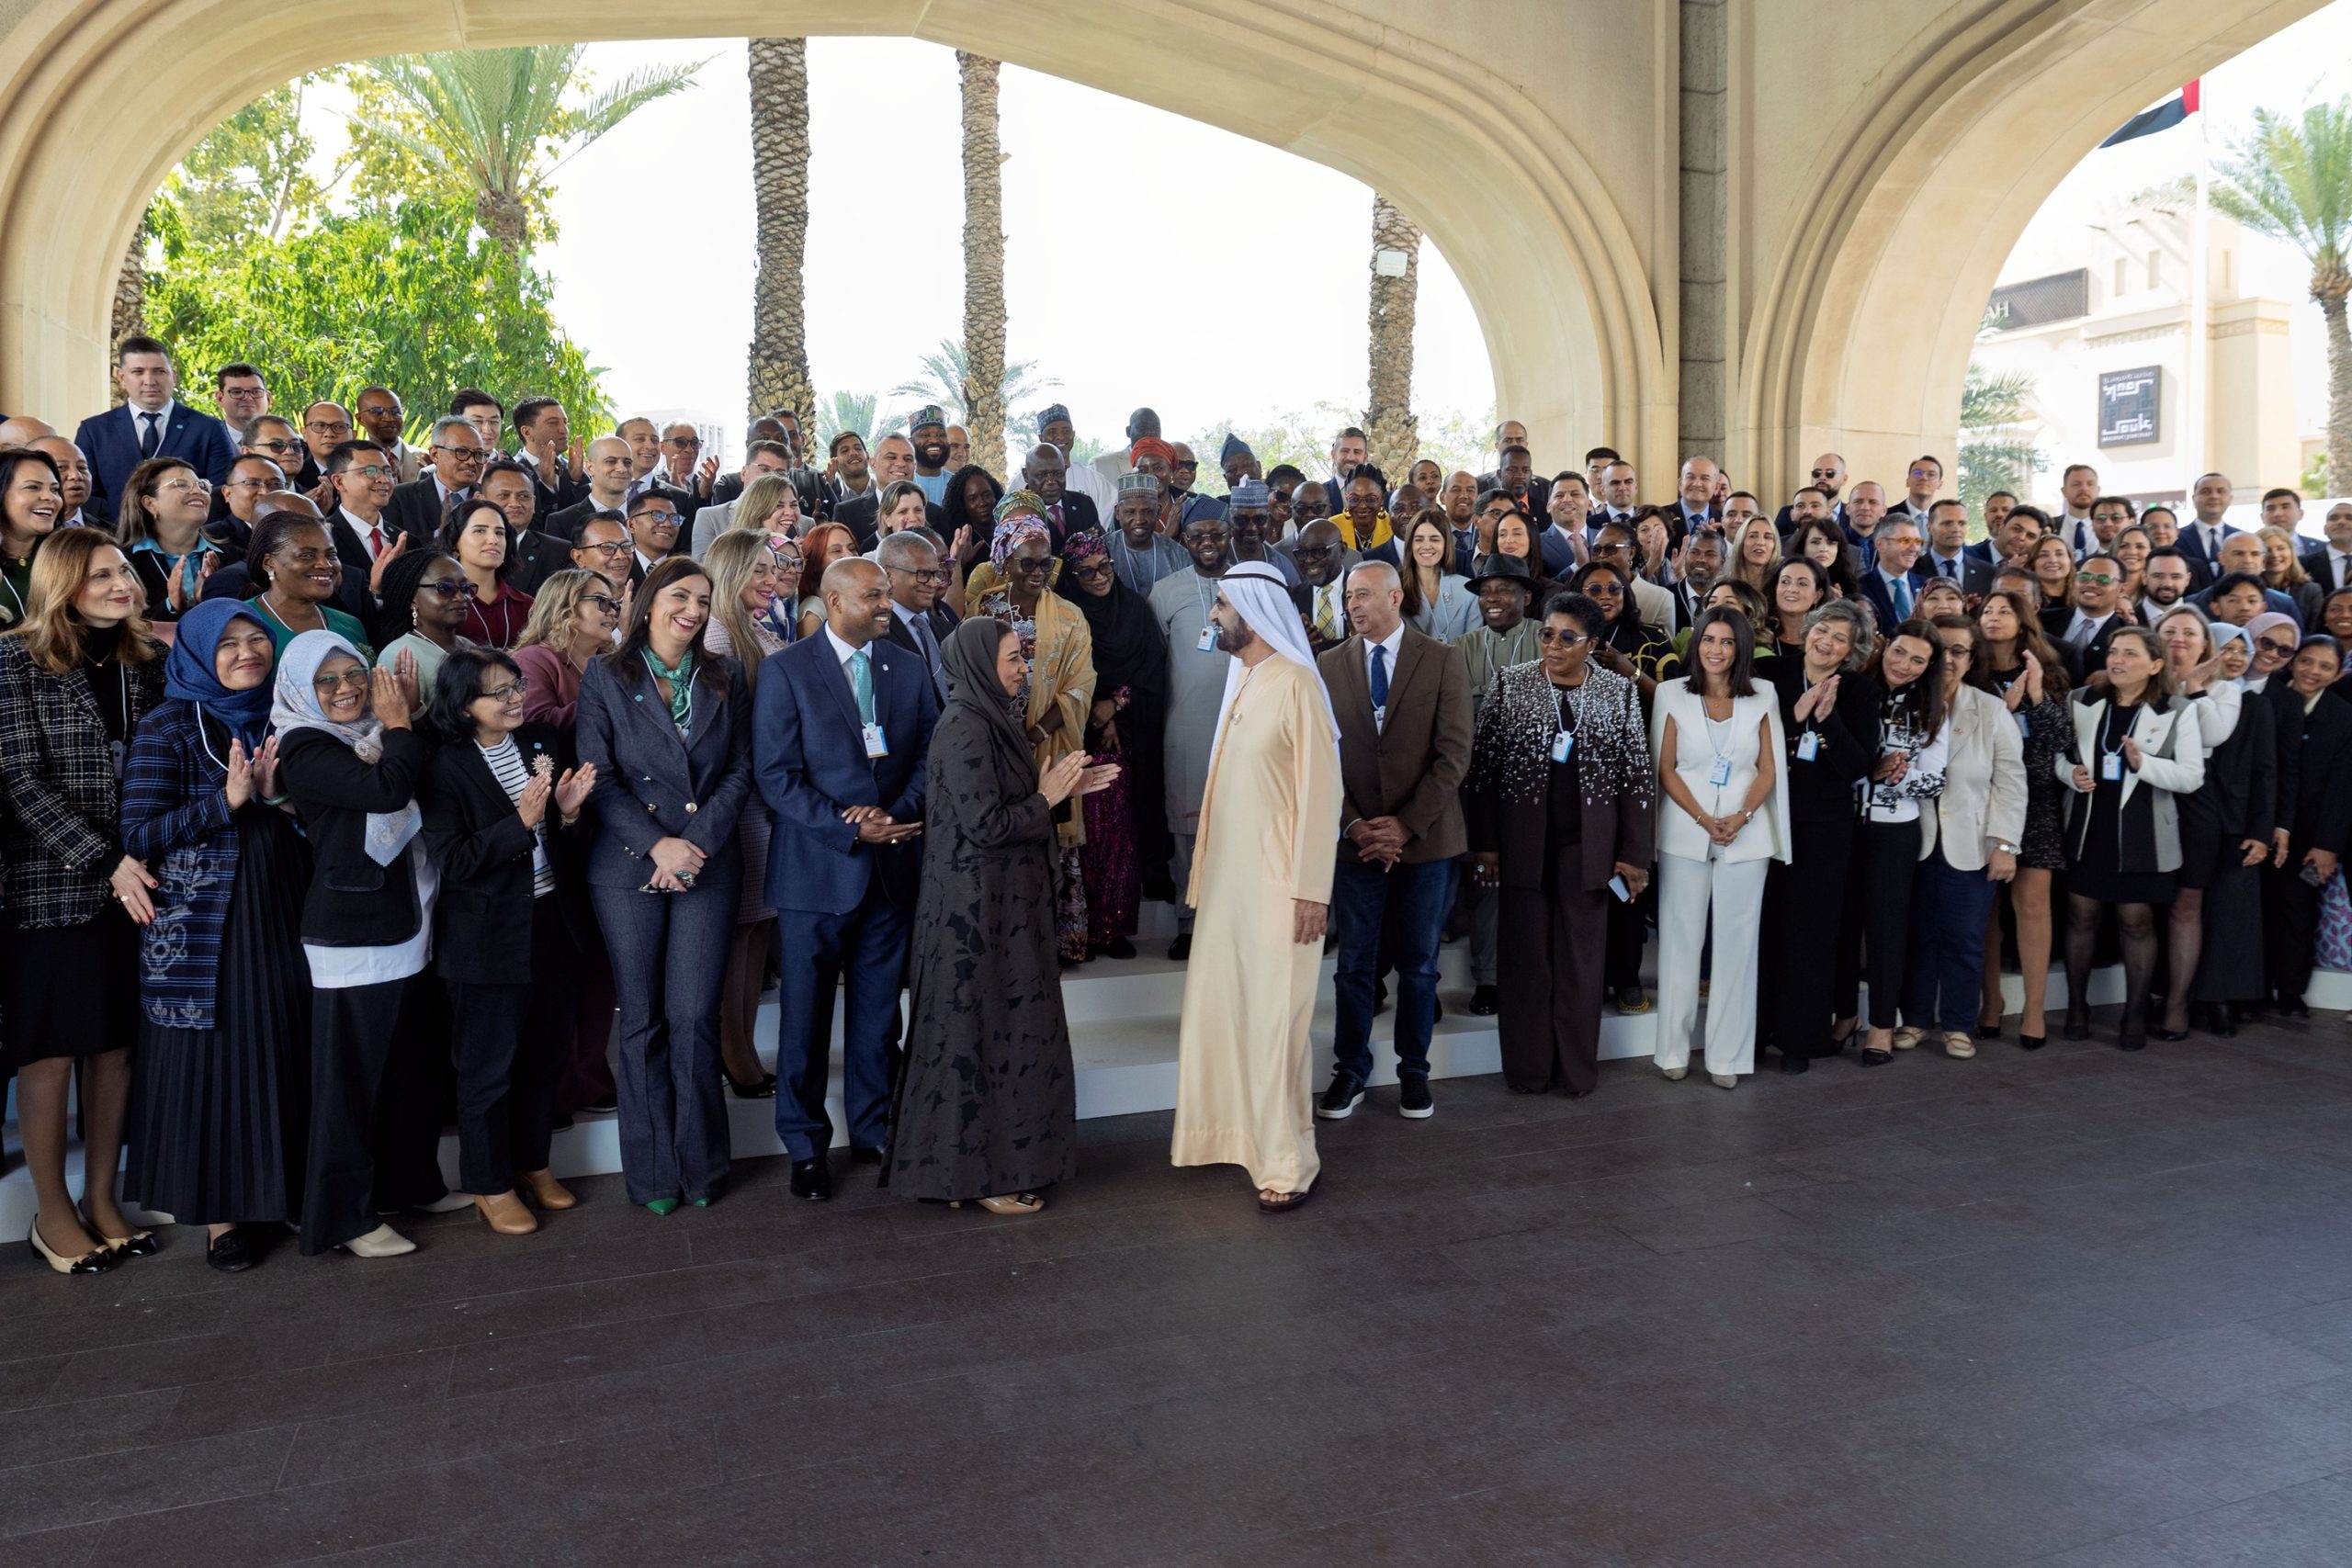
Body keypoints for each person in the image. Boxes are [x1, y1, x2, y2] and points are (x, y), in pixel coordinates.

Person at [889, 619, 1118, 1213]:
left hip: (999, 910)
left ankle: (974, 1173)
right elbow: (987, 825)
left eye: (1023, 657)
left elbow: (1004, 805)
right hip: (976, 918)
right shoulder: (965, 726)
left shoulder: (990, 718)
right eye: (1014, 658)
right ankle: (982, 1178)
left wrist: (1064, 791)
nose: (1024, 669)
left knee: (998, 1036)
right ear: (978, 663)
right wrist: (1048, 797)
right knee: (980, 1041)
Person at [119, 600, 310, 1271]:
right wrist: (225, 803)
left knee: (284, 1043)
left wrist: (279, 798)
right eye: (227, 644)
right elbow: (139, 833)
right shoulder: (168, 724)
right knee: (220, 1058)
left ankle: (285, 1193)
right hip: (207, 921)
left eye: (256, 639)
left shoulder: (288, 711)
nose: (246, 652)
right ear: (199, 652)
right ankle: (223, 1217)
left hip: (289, 902)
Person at [0, 530, 164, 1273]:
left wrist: (136, 858)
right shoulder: (14, 660)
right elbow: (20, 779)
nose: (121, 582)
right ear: (63, 582)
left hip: (137, 875)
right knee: (50, 1050)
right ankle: (52, 1213)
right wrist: (106, 861)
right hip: (52, 877)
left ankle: (102, 1197)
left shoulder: (143, 659)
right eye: (101, 574)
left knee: (115, 1044)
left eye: (124, 569)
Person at [755, 558, 938, 1201]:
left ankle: (874, 1128)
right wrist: (849, 828)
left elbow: (930, 753)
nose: (887, 604)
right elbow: (775, 775)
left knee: (879, 1016)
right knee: (803, 1022)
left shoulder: (907, 667)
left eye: (887, 593)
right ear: (834, 602)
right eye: (873, 595)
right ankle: (806, 1147)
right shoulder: (785, 671)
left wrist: (895, 816)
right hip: (815, 874)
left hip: (891, 867)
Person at [1169, 563, 1343, 1212]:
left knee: (1276, 1023)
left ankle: (1289, 1161)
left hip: (1280, 887)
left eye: (1221, 605)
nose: (1213, 616)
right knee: (1227, 1014)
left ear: (1253, 609)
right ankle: (1234, 1138)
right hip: (1228, 887)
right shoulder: (1243, 677)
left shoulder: (1296, 683)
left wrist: (1311, 891)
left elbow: (1322, 796)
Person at [274, 630, 448, 1258]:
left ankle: (408, 1183)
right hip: (354, 934)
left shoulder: (378, 732)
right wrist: (400, 726)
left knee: (408, 1068)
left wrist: (404, 723)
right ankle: (343, 1219)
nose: (346, 689)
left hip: (408, 916)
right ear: (301, 689)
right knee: (350, 1086)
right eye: (327, 680)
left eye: (355, 675)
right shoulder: (304, 745)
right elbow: (386, 791)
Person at [420, 646, 595, 1233]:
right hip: (486, 937)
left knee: (544, 1057)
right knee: (487, 1070)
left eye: (516, 685)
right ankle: (489, 1184)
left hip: (552, 921)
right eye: (498, 692)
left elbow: (562, 837)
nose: (515, 698)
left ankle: (533, 1165)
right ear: (462, 706)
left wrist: (566, 815)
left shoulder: (538, 741)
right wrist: (519, 823)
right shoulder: (444, 766)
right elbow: (454, 859)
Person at [1467, 590, 1654, 1094]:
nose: (1553, 646)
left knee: (1580, 962)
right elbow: (1483, 772)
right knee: (1526, 959)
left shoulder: (1618, 692)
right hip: (1522, 845)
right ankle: (1528, 1070)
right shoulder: (1511, 684)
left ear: (1592, 644)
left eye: (1567, 638)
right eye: (1547, 634)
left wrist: (1633, 855)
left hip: (1588, 849)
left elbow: (1636, 778)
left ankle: (1574, 1072)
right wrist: (1486, 844)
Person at [1312, 560, 1473, 1121]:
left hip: (1424, 843)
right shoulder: (1328, 664)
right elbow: (1320, 755)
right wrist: (1354, 824)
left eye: (1362, 595)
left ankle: (1414, 1073)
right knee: (1354, 966)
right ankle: (1350, 1070)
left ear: (1395, 597)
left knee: (1420, 966)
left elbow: (1454, 754)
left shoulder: (1443, 659)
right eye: (1347, 598)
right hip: (1354, 843)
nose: (1353, 606)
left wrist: (1404, 825)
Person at [1650, 607, 1790, 1088]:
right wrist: (1703, 818)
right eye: (1709, 639)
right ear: (1697, 645)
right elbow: (1665, 768)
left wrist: (1743, 815)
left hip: (1746, 835)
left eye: (1727, 641)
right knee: (1680, 942)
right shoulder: (1671, 693)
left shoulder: (1764, 694)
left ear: (1741, 648)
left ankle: (1726, 1057)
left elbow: (1769, 767)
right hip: (1685, 832)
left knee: (1737, 948)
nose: (1716, 649)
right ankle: (1671, 1050)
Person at [2058, 626, 2205, 1052]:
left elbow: (2192, 777)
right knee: (2080, 917)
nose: (2116, 660)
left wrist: (2145, 765)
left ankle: (2135, 1012)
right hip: (2088, 824)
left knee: (2136, 922)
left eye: (2129, 654)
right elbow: (2057, 757)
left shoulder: (2176, 709)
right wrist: (2069, 773)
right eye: (2113, 652)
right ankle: (2076, 1007)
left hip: (2144, 831)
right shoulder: (2081, 699)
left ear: (2156, 665)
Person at [510, 570, 624, 1118]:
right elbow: (536, 727)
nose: (611, 608)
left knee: (600, 961)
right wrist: (612, 692)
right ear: (564, 605)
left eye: (613, 601)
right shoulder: (537, 660)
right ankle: (552, 1087)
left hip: (607, 822)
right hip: (556, 826)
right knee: (561, 964)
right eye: (599, 600)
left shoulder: (606, 662)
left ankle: (589, 1075)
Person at [973, 501, 1099, 964]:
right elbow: (971, 676)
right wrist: (1006, 737)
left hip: (1049, 747)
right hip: (996, 749)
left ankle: (1054, 946)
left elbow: (1081, 684)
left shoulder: (1068, 616)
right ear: (1005, 560)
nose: (1039, 572)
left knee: (1051, 840)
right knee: (1004, 839)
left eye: (1046, 563)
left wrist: (1036, 734)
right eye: (1027, 563)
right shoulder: (983, 610)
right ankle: (1007, 948)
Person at [1898, 615, 2026, 1057]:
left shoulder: (1990, 709)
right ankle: (1915, 1020)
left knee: (1965, 940)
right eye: (1942, 650)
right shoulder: (1905, 701)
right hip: (1910, 842)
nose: (1949, 659)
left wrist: (2005, 845)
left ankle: (1957, 1024)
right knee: (1916, 937)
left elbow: (2011, 782)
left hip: (1971, 844)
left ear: (1972, 659)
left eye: (1959, 651)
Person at [1759, 601, 1878, 1073]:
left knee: (1811, 933)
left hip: (1825, 828)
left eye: (1839, 639)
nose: (1826, 642)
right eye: (1822, 630)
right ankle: (1754, 1034)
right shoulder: (1770, 673)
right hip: (1766, 816)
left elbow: (1858, 767)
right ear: (1808, 629)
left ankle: (1800, 1039)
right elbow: (1748, 740)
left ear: (1851, 651)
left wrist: (1827, 721)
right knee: (1764, 927)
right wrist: (1796, 715)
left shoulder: (1860, 691)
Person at [698, 529, 792, 1098]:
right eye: (758, 569)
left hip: (766, 793)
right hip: (741, 798)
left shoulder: (756, 626)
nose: (769, 579)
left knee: (758, 926)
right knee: (739, 930)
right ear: (731, 571)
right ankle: (733, 1053)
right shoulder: (715, 632)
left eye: (773, 569)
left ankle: (745, 1046)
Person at [2154, 614, 2275, 1038]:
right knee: (2155, 906)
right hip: (2155, 799)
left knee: (2208, 910)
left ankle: (2204, 1001)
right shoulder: (2145, 679)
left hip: (2218, 817)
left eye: (2190, 633)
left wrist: (2262, 830)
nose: (2179, 639)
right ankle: (2160, 995)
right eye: (2170, 632)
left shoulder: (2235, 695)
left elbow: (2259, 767)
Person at [1841, 620, 1951, 1064]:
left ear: (1929, 667)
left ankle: (1882, 1025)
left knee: (1886, 930)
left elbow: (1934, 781)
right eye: (1899, 652)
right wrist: (1869, 769)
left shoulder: (1932, 709)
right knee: (1843, 926)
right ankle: (1845, 1014)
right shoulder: (1853, 689)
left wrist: (1895, 776)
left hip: (1894, 831)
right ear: (1885, 647)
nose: (1904, 664)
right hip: (1844, 824)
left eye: (1918, 660)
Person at [1973, 589, 2072, 1047]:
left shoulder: (2048, 672)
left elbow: (2061, 739)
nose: (1994, 617)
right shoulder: (1970, 673)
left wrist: (2035, 696)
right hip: (1981, 799)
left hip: (2035, 800)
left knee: (2032, 907)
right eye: (1987, 611)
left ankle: (2034, 1010)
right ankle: (1990, 1001)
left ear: (2023, 621)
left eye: (2004, 611)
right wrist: (2003, 712)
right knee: (1985, 911)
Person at [1060, 528, 1165, 960]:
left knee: (1120, 834)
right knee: (1085, 838)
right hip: (1076, 739)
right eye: (1086, 572)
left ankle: (1114, 928)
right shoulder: (1066, 614)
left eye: (1104, 566)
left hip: (1132, 736)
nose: (1099, 576)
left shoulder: (1135, 608)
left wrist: (1115, 705)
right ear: (1072, 577)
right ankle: (1081, 931)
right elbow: (1063, 674)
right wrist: (1095, 712)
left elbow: (1153, 665)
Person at [1152, 510, 1240, 960]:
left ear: (1230, 535)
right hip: (1187, 727)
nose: (1207, 542)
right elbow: (1153, 660)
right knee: (1187, 829)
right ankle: (1189, 922)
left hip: (1245, 727)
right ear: (1183, 540)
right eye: (1197, 535)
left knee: (1241, 824)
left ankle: (1237, 920)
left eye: (1216, 533)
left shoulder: (1251, 585)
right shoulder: (1165, 591)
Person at [2266, 637, 2351, 1016]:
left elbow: (2343, 788)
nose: (2313, 671)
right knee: (2255, 910)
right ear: (2293, 661)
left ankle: (2289, 992)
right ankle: (2251, 990)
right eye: (2306, 661)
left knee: (2298, 911)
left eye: (2325, 666)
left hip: (2311, 838)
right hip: (2260, 828)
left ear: (2338, 675)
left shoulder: (2344, 717)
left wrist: (2327, 845)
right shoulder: (2267, 698)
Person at [244, 510, 372, 657]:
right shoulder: (242, 622)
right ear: (269, 563)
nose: (325, 565)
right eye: (306, 555)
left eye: (331, 555)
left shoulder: (350, 625)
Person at [116, 456, 224, 623]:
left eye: (202, 485)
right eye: (181, 485)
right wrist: (171, 605)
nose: (198, 491)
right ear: (150, 504)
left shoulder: (231, 554)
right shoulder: (124, 562)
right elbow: (125, 626)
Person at [369, 548, 471, 708]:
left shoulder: (468, 645)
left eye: (465, 588)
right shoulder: (399, 655)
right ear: (412, 598)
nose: (461, 597)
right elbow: (397, 720)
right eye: (445, 588)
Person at [441, 497, 531, 647]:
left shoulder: (527, 605)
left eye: (500, 533)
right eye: (480, 531)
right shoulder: (440, 599)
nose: (493, 540)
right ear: (455, 540)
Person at [1397, 509, 1479, 640]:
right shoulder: (1394, 588)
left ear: (1446, 544)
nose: (1426, 546)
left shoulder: (1468, 592)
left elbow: (1474, 645)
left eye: (1434, 540)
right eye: (1419, 540)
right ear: (1410, 545)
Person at [2258, 525, 2324, 627]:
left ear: (2292, 552)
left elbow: (2316, 627)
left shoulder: (2311, 590)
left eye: (2281, 548)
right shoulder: (2250, 589)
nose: (2275, 555)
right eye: (2267, 550)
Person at [1767, 557, 1829, 658]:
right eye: (1785, 582)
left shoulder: (1826, 641)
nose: (1792, 589)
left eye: (1802, 584)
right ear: (1775, 588)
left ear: (1817, 596)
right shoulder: (1759, 635)